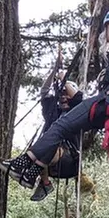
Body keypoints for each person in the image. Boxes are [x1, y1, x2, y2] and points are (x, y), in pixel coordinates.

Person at [0, 6, 109, 191]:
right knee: (64, 130)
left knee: (60, 127)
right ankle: (30, 174)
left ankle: (21, 164)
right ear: (106, 32)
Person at [29, 59, 84, 201]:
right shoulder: (52, 111)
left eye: (67, 94)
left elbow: (78, 98)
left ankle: (43, 181)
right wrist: (54, 71)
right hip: (52, 162)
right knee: (38, 149)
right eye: (61, 94)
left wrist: (63, 79)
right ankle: (45, 182)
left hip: (70, 160)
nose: (64, 97)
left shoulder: (78, 111)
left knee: (46, 148)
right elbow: (44, 92)